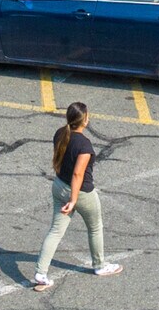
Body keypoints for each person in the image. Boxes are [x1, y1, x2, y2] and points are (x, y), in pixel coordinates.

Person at [31, 102, 121, 287]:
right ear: (85, 121)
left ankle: (41, 273)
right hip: (80, 193)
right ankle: (99, 266)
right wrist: (73, 200)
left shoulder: (60, 133)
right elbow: (78, 174)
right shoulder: (84, 145)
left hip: (58, 185)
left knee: (55, 231)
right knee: (95, 227)